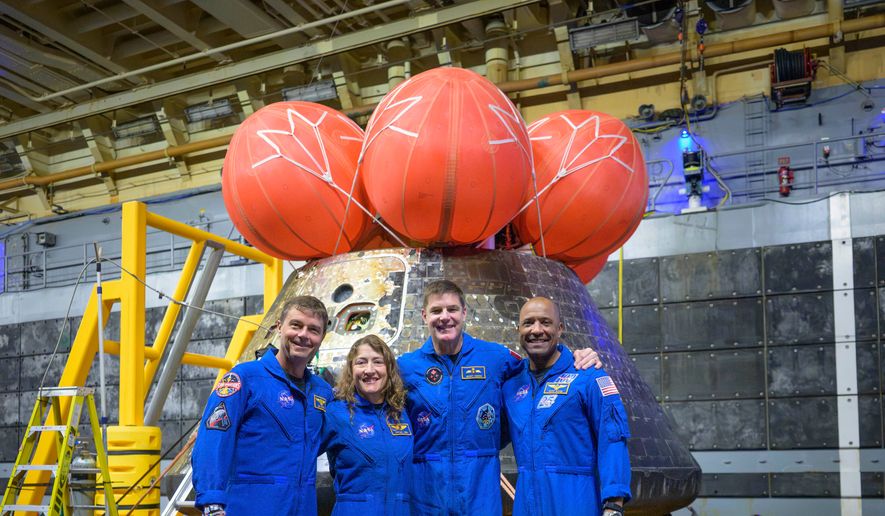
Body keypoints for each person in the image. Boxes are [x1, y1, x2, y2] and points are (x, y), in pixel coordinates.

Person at [397, 280, 603, 515]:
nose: (445, 317)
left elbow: (540, 368)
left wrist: (577, 357)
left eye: (452, 309)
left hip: (480, 489)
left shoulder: (496, 358)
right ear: (424, 316)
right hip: (426, 490)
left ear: (464, 312)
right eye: (436, 311)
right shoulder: (405, 367)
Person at [192, 296, 333, 516]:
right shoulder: (245, 379)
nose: (303, 335)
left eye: (313, 330)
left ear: (322, 338)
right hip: (249, 507)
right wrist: (212, 501)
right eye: (296, 325)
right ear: (279, 327)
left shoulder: (322, 393)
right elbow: (213, 439)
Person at [503, 297, 631, 516]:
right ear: (518, 329)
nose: (536, 330)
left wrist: (614, 504)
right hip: (527, 503)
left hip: (576, 502)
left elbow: (612, 439)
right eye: (528, 323)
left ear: (559, 328)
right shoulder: (511, 385)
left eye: (545, 322)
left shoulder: (587, 376)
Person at [321, 335, 413, 516]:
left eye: (378, 362)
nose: (369, 370)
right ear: (351, 369)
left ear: (389, 369)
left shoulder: (402, 413)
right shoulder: (335, 413)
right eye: (361, 362)